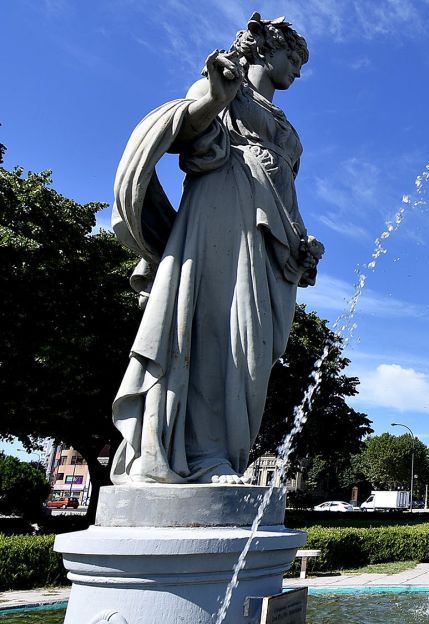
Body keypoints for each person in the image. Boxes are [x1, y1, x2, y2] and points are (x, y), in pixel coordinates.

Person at [110, 13, 322, 485]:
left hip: (271, 237)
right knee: (212, 328)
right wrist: (214, 100)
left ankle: (224, 454)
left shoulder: (285, 127)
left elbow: (287, 192)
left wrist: (304, 245)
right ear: (266, 47)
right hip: (223, 206)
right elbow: (182, 134)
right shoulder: (223, 84)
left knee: (252, 350)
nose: (299, 72)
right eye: (294, 58)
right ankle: (200, 456)